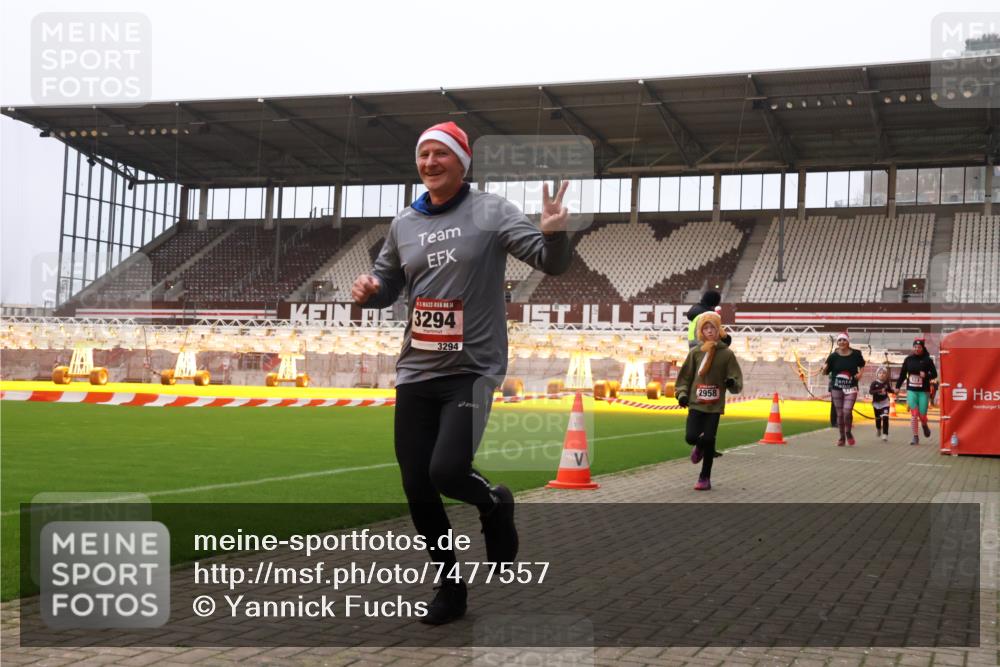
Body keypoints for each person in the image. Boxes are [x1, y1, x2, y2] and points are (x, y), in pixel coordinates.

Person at [351, 121, 572, 625]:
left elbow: (549, 261)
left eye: (441, 153)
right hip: (417, 369)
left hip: (471, 368)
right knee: (417, 486)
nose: (430, 162)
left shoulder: (491, 211)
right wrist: (370, 290)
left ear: (463, 161)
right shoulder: (403, 222)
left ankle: (494, 503)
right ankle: (450, 589)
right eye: (423, 154)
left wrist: (554, 234)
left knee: (447, 471)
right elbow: (388, 282)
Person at [674, 312, 743, 490]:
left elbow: (736, 378)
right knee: (691, 437)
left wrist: (731, 382)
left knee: (710, 439)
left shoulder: (727, 354)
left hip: (714, 406)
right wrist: (681, 394)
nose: (710, 331)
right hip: (695, 403)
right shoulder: (695, 353)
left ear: (719, 330)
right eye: (706, 328)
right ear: (701, 331)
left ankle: (704, 477)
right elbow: (685, 377)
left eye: (713, 327)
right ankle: (698, 447)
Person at [820, 332, 865, 446]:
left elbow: (862, 365)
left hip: (851, 387)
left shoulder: (856, 354)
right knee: (840, 414)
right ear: (837, 342)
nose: (842, 342)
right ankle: (841, 437)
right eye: (839, 340)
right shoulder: (833, 356)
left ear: (848, 341)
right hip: (837, 388)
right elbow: (825, 372)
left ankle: (848, 432)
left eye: (844, 340)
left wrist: (860, 374)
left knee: (847, 411)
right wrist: (824, 368)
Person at [894, 337, 938, 445]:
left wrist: (926, 375)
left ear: (922, 348)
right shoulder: (908, 359)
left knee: (922, 416)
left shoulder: (928, 360)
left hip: (923, 391)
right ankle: (915, 436)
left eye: (919, 347)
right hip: (911, 390)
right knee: (914, 414)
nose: (917, 349)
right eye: (915, 347)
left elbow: (934, 374)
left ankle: (924, 424)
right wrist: (897, 387)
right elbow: (902, 374)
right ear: (913, 348)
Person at [869, 366, 892, 442]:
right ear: (877, 374)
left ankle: (885, 434)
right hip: (876, 404)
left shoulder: (886, 383)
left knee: (885, 417)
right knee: (878, 419)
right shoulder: (874, 383)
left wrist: (895, 391)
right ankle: (878, 429)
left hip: (885, 403)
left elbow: (889, 390)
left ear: (886, 375)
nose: (882, 374)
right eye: (880, 373)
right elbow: (871, 392)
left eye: (884, 373)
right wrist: (879, 391)